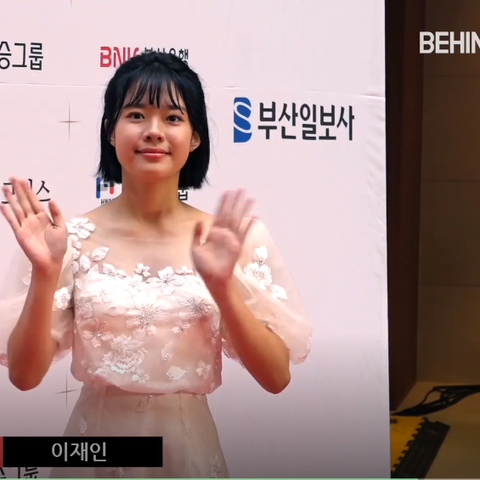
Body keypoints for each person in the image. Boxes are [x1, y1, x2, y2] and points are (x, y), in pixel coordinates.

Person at [0, 51, 312, 478]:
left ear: (195, 137)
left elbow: (276, 377)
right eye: (135, 115)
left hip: (187, 455)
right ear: (110, 131)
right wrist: (44, 272)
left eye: (172, 118)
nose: (153, 131)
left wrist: (222, 287)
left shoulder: (231, 239)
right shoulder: (64, 240)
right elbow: (24, 375)